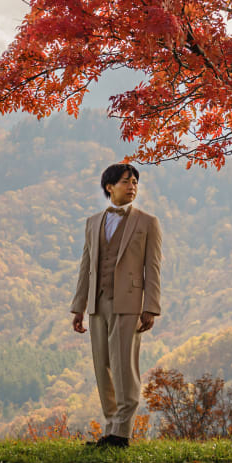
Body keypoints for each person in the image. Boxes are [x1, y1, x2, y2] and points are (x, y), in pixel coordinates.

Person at [70, 163, 163, 447]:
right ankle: (111, 429)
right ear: (109, 187)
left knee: (125, 366)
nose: (132, 185)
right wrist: (79, 306)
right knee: (103, 368)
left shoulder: (147, 222)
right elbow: (86, 266)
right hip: (98, 304)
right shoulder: (93, 222)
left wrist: (151, 306)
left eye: (135, 181)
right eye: (126, 181)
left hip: (129, 303)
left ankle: (122, 433)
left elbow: (153, 267)